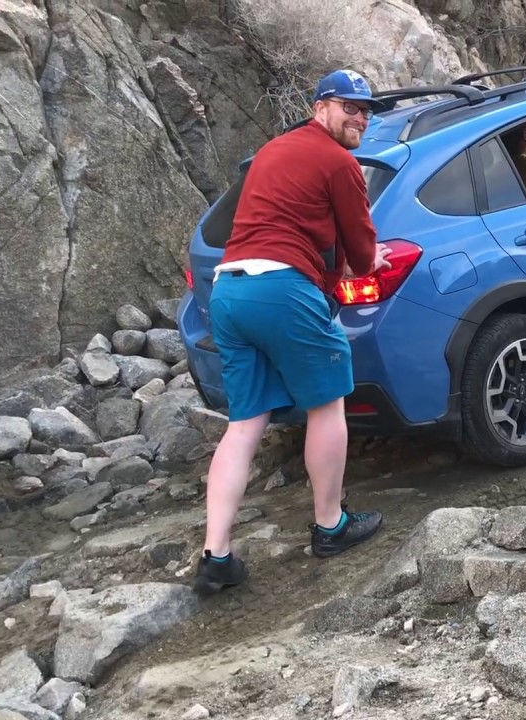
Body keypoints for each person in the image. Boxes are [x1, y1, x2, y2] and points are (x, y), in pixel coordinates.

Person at [192, 69, 393, 595]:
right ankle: (331, 526)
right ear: (320, 106)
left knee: (244, 424)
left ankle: (216, 557)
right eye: (349, 107)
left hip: (229, 288)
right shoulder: (339, 163)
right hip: (282, 289)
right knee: (327, 405)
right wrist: (369, 262)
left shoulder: (272, 152)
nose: (360, 117)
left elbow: (276, 226)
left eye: (366, 110)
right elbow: (364, 255)